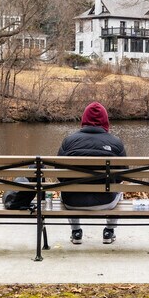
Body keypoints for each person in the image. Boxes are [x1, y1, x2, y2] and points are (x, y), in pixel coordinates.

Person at [57, 101, 127, 244]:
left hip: (72, 202)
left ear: (84, 120)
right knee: (120, 188)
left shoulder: (68, 142)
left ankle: (76, 232)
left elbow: (59, 175)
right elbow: (121, 177)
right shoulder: (116, 143)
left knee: (66, 186)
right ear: (105, 121)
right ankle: (109, 232)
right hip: (106, 201)